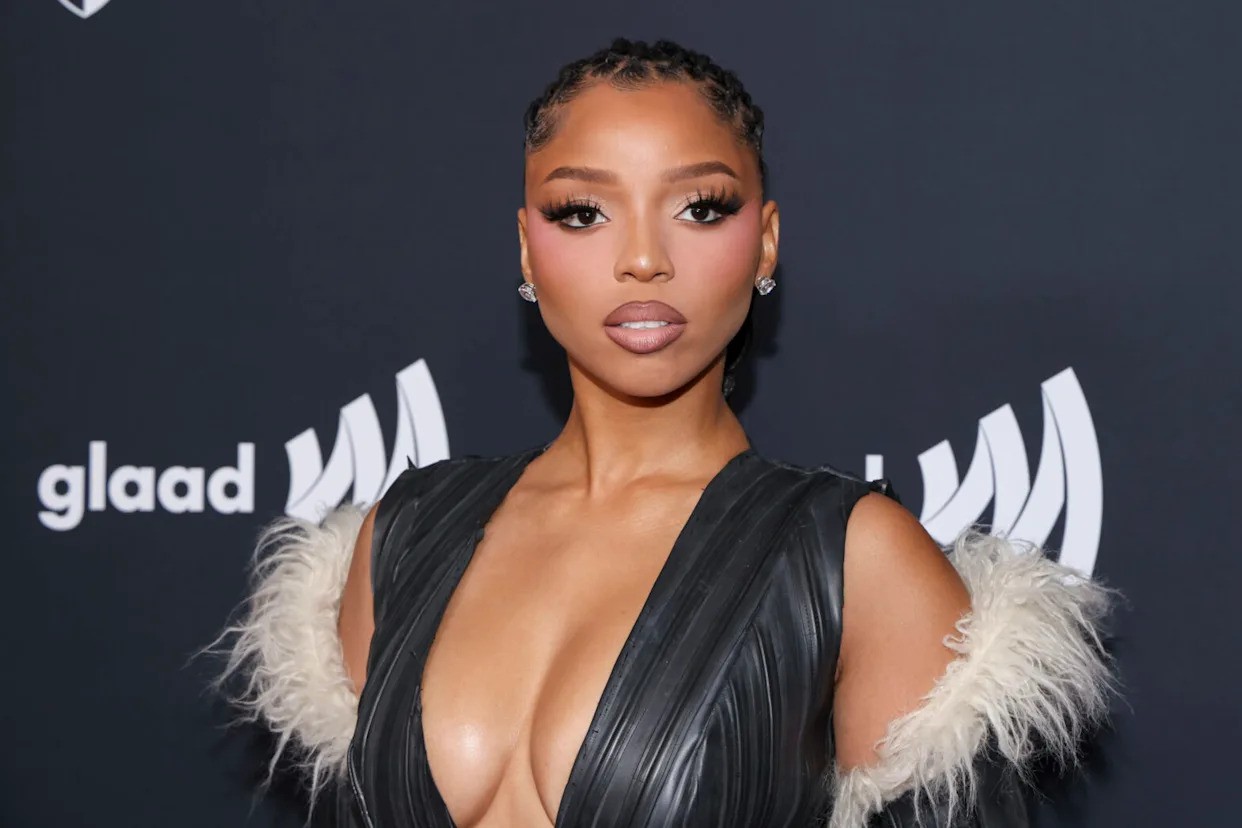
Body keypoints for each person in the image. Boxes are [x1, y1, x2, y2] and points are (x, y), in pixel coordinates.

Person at [207, 38, 1116, 828]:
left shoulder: (856, 558)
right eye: (582, 212)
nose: (643, 258)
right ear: (525, 248)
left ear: (766, 242)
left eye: (700, 207)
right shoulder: (406, 531)